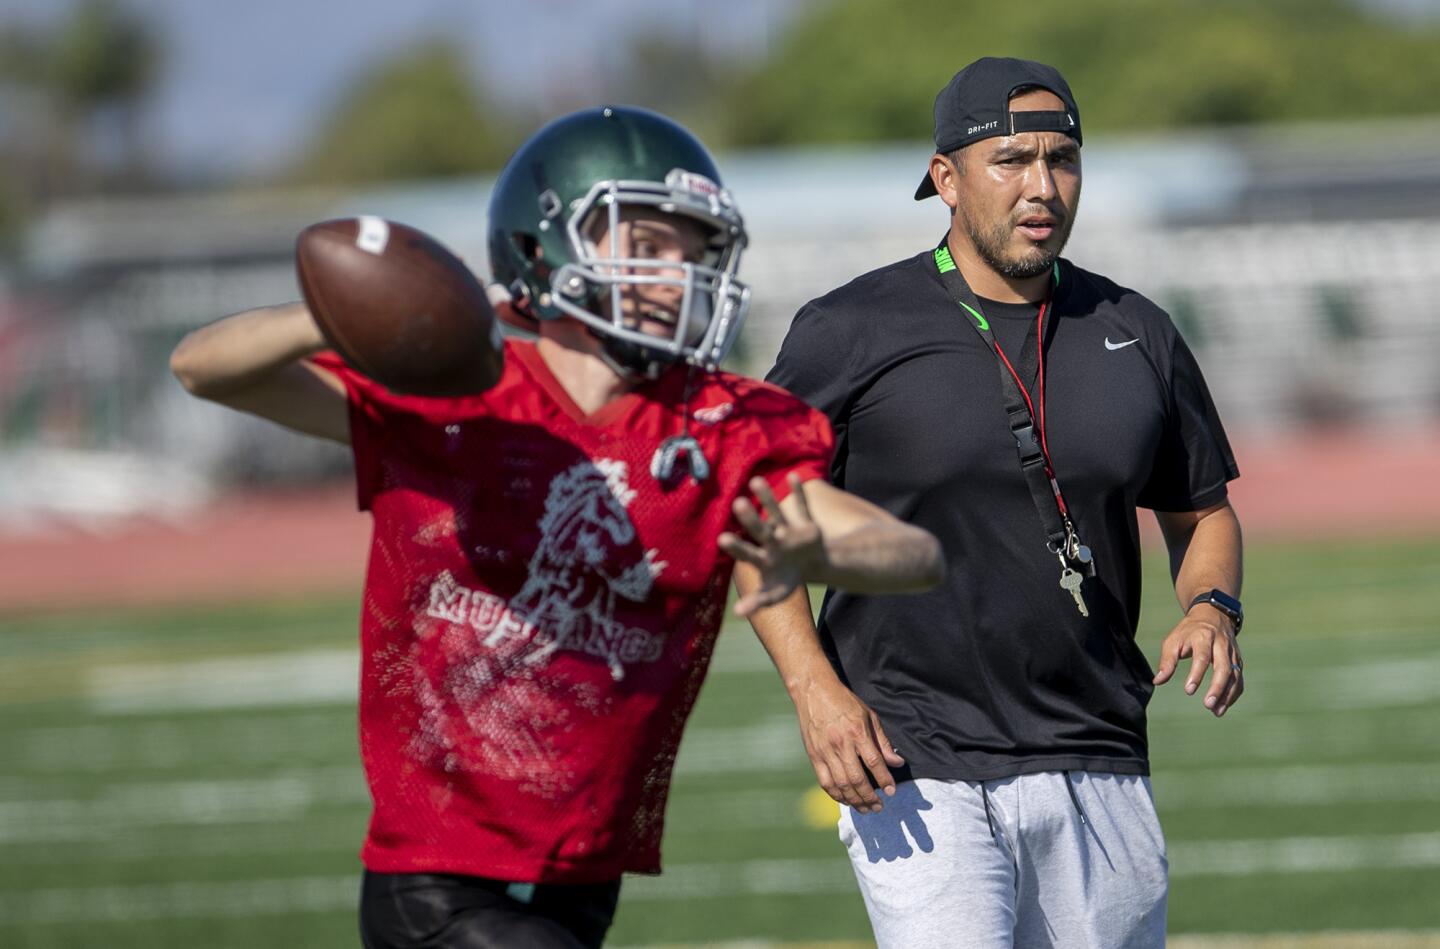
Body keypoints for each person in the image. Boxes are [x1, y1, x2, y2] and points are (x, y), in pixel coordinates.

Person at [169, 106, 943, 949]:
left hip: (583, 875)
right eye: (646, 244)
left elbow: (912, 554)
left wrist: (806, 548)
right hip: (435, 876)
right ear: (546, 251)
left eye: (690, 247)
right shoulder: (459, 394)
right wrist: (344, 312)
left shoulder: (716, 425)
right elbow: (201, 368)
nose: (676, 269)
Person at [737, 58, 1245, 948]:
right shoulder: (851, 328)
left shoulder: (1140, 330)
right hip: (915, 761)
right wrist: (815, 688)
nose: (1041, 186)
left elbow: (1202, 510)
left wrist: (1212, 606)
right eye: (1010, 159)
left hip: (1099, 751)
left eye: (1063, 158)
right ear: (947, 178)